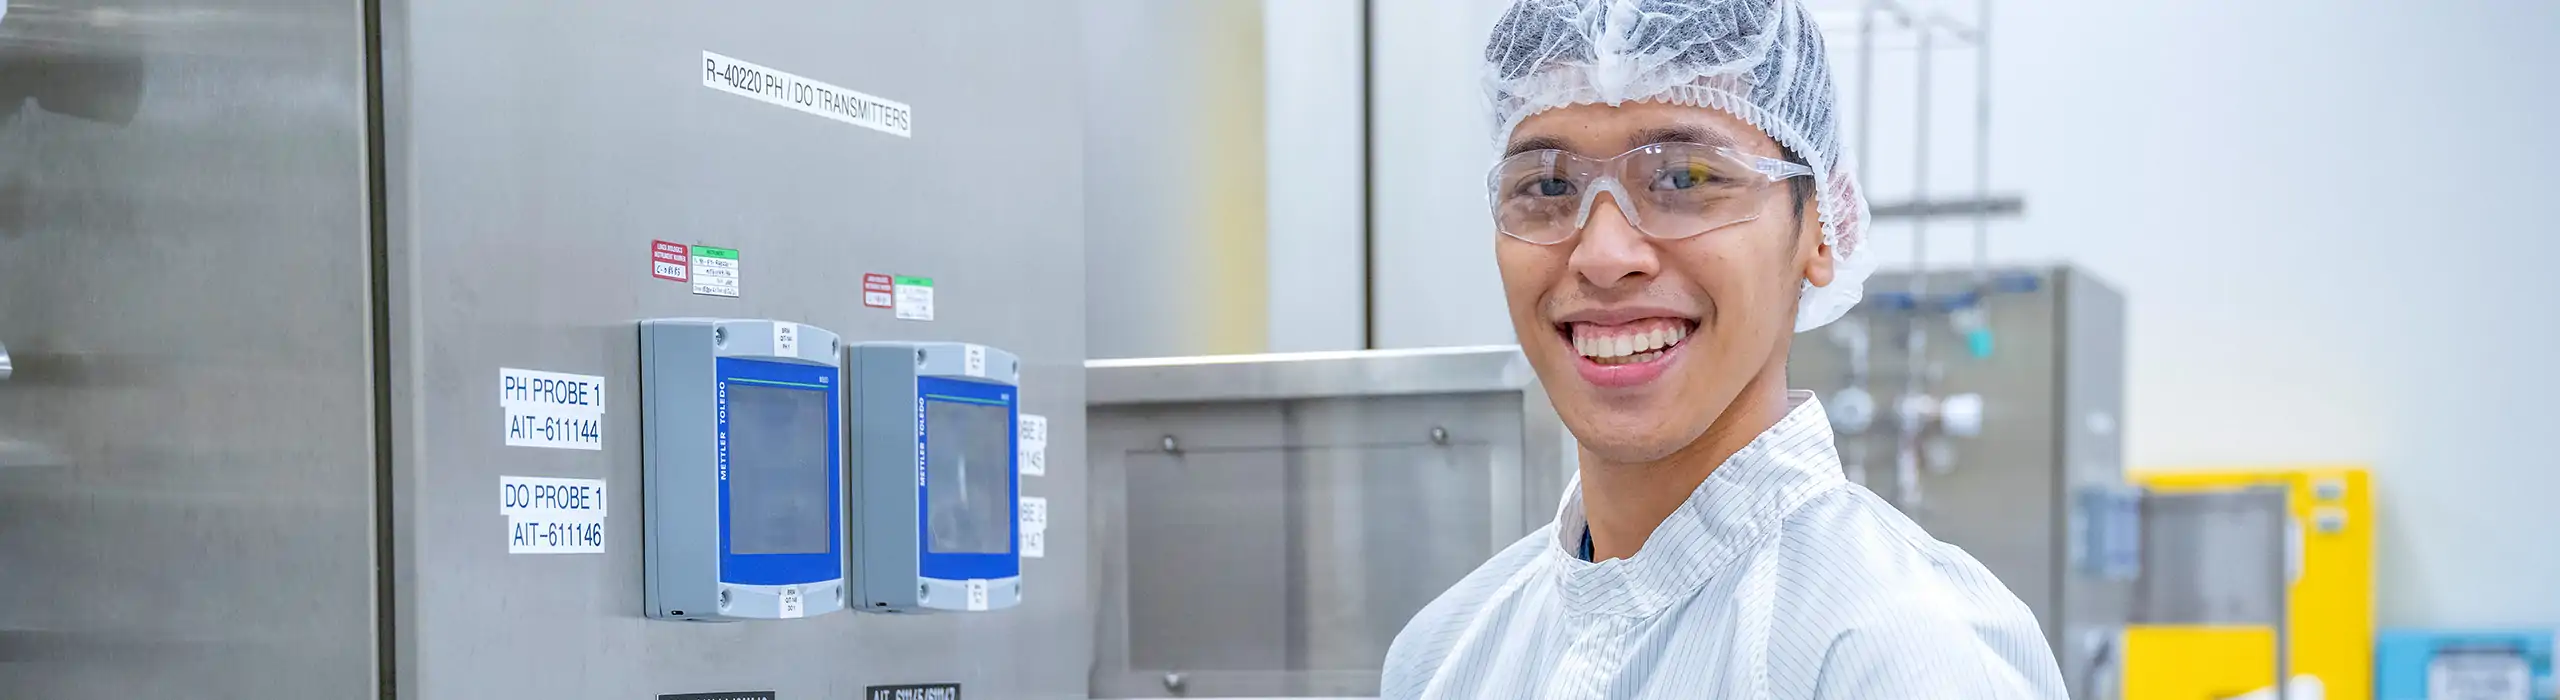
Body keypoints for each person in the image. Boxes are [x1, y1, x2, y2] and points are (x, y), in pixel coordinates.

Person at [1379, 1, 2068, 697]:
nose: (1603, 254)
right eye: (1549, 186)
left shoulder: (1899, 656)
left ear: (1825, 227)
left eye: (1686, 178)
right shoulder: (1444, 653)